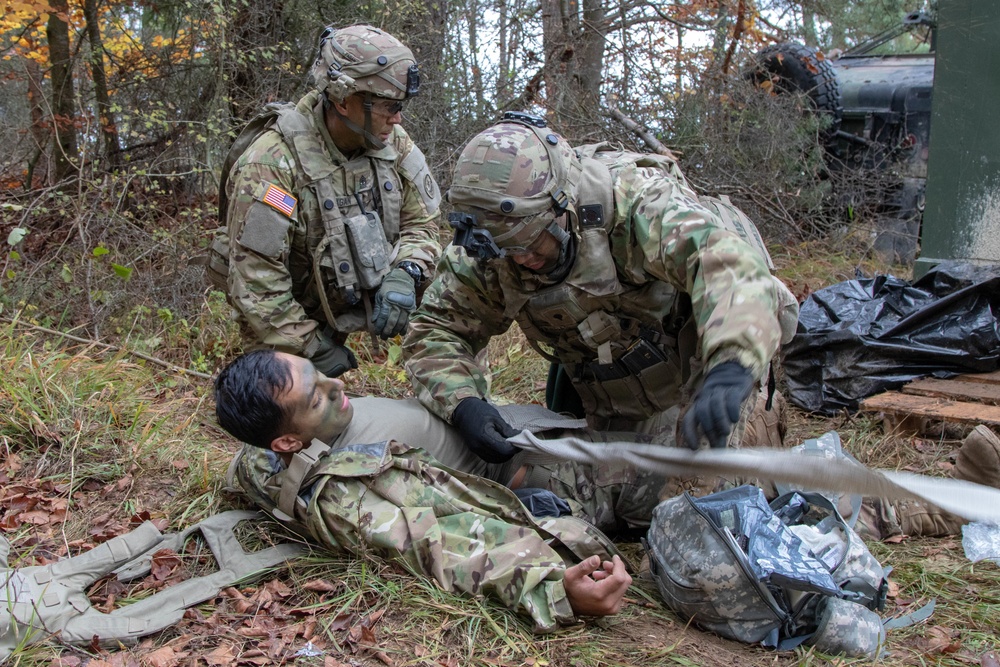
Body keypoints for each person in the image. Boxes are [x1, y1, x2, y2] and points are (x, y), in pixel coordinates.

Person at [402, 112, 799, 468]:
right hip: (611, 378)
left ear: (560, 207)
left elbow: (727, 267)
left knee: (702, 502)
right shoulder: (489, 244)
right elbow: (436, 329)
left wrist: (731, 365)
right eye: (508, 252)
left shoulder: (635, 202)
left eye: (532, 243)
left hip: (704, 370)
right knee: (590, 491)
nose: (522, 260)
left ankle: (751, 418)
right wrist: (463, 403)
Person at [215, 349, 641, 633]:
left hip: (519, 434)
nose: (337, 386)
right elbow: (438, 547)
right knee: (682, 478)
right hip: (538, 475)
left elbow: (247, 466)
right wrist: (555, 592)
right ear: (288, 442)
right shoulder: (347, 495)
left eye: (320, 374)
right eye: (316, 400)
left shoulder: (268, 452)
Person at [208, 24, 442, 378]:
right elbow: (257, 279)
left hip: (369, 286)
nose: (398, 118)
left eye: (401, 106)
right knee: (286, 398)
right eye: (388, 106)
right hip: (290, 308)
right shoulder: (272, 162)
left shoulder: (393, 143)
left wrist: (407, 273)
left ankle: (460, 407)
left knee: (453, 302)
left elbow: (422, 224)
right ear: (343, 100)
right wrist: (310, 346)